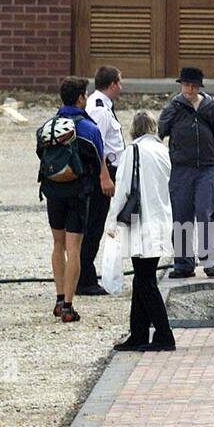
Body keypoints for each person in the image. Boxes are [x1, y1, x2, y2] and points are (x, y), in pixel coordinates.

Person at [43, 77, 113, 322]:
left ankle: (58, 298)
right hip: (77, 193)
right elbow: (99, 159)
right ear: (81, 97)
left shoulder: (50, 125)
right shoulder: (89, 128)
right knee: (74, 249)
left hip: (53, 191)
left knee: (57, 245)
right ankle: (69, 306)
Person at [107, 111, 175, 352]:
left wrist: (112, 220)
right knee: (142, 277)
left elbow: (123, 188)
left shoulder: (132, 151)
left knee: (145, 280)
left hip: (141, 222)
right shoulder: (162, 151)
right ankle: (138, 333)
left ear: (134, 129)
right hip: (162, 219)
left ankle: (164, 335)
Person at [160, 66, 214, 278]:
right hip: (181, 169)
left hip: (207, 167)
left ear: (199, 87)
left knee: (205, 213)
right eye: (186, 85)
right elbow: (159, 131)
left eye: (193, 85)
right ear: (181, 85)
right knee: (181, 215)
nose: (189, 89)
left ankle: (210, 260)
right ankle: (183, 262)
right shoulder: (174, 107)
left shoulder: (210, 107)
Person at [80, 66, 126, 295]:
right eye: (120, 82)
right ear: (113, 84)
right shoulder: (99, 109)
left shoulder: (103, 105)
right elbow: (96, 146)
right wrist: (104, 177)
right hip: (102, 174)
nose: (121, 87)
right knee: (93, 225)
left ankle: (83, 275)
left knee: (95, 224)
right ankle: (84, 279)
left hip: (106, 171)